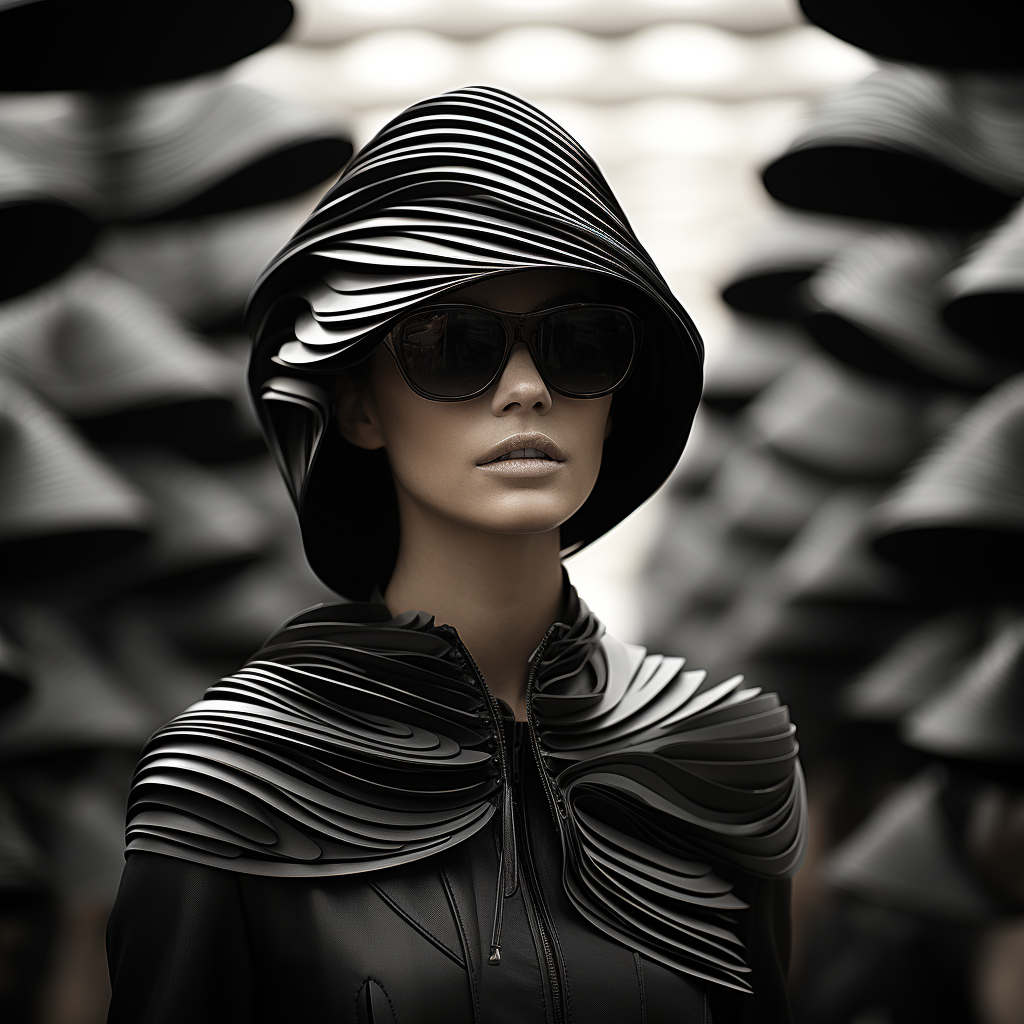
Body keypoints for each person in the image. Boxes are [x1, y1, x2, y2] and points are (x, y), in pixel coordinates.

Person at [106, 86, 807, 1024]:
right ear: (356, 405)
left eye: (580, 344)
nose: (526, 390)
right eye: (450, 345)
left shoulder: (723, 753)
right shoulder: (231, 778)